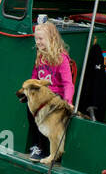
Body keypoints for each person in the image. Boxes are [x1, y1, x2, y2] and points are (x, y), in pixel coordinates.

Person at [26, 21, 75, 161]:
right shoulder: (40, 55)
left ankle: (44, 148)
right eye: (36, 39)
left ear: (51, 39)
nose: (38, 42)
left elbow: (68, 83)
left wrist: (68, 101)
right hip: (41, 95)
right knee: (30, 112)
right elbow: (34, 77)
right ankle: (36, 144)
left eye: (41, 39)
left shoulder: (61, 59)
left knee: (45, 114)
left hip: (55, 96)